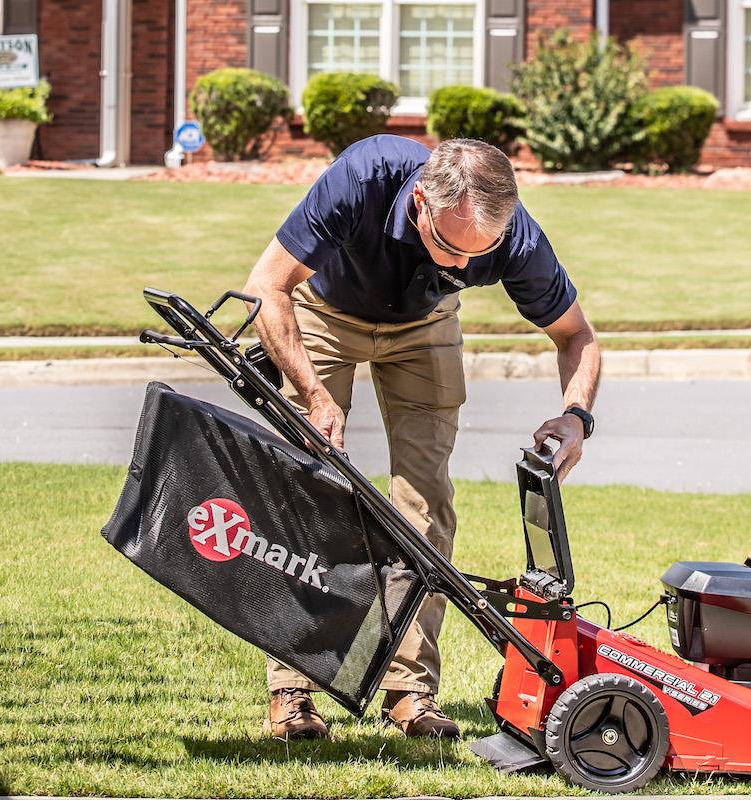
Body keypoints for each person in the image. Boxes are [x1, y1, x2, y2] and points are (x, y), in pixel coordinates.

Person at [243, 134, 601, 740]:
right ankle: (293, 691)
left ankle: (410, 690)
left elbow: (577, 336)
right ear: (418, 204)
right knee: (309, 490)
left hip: (424, 326)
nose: (460, 266)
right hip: (325, 313)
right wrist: (311, 393)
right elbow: (266, 285)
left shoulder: (513, 236)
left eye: (477, 255)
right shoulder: (365, 177)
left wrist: (575, 417)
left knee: (424, 502)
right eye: (448, 247)